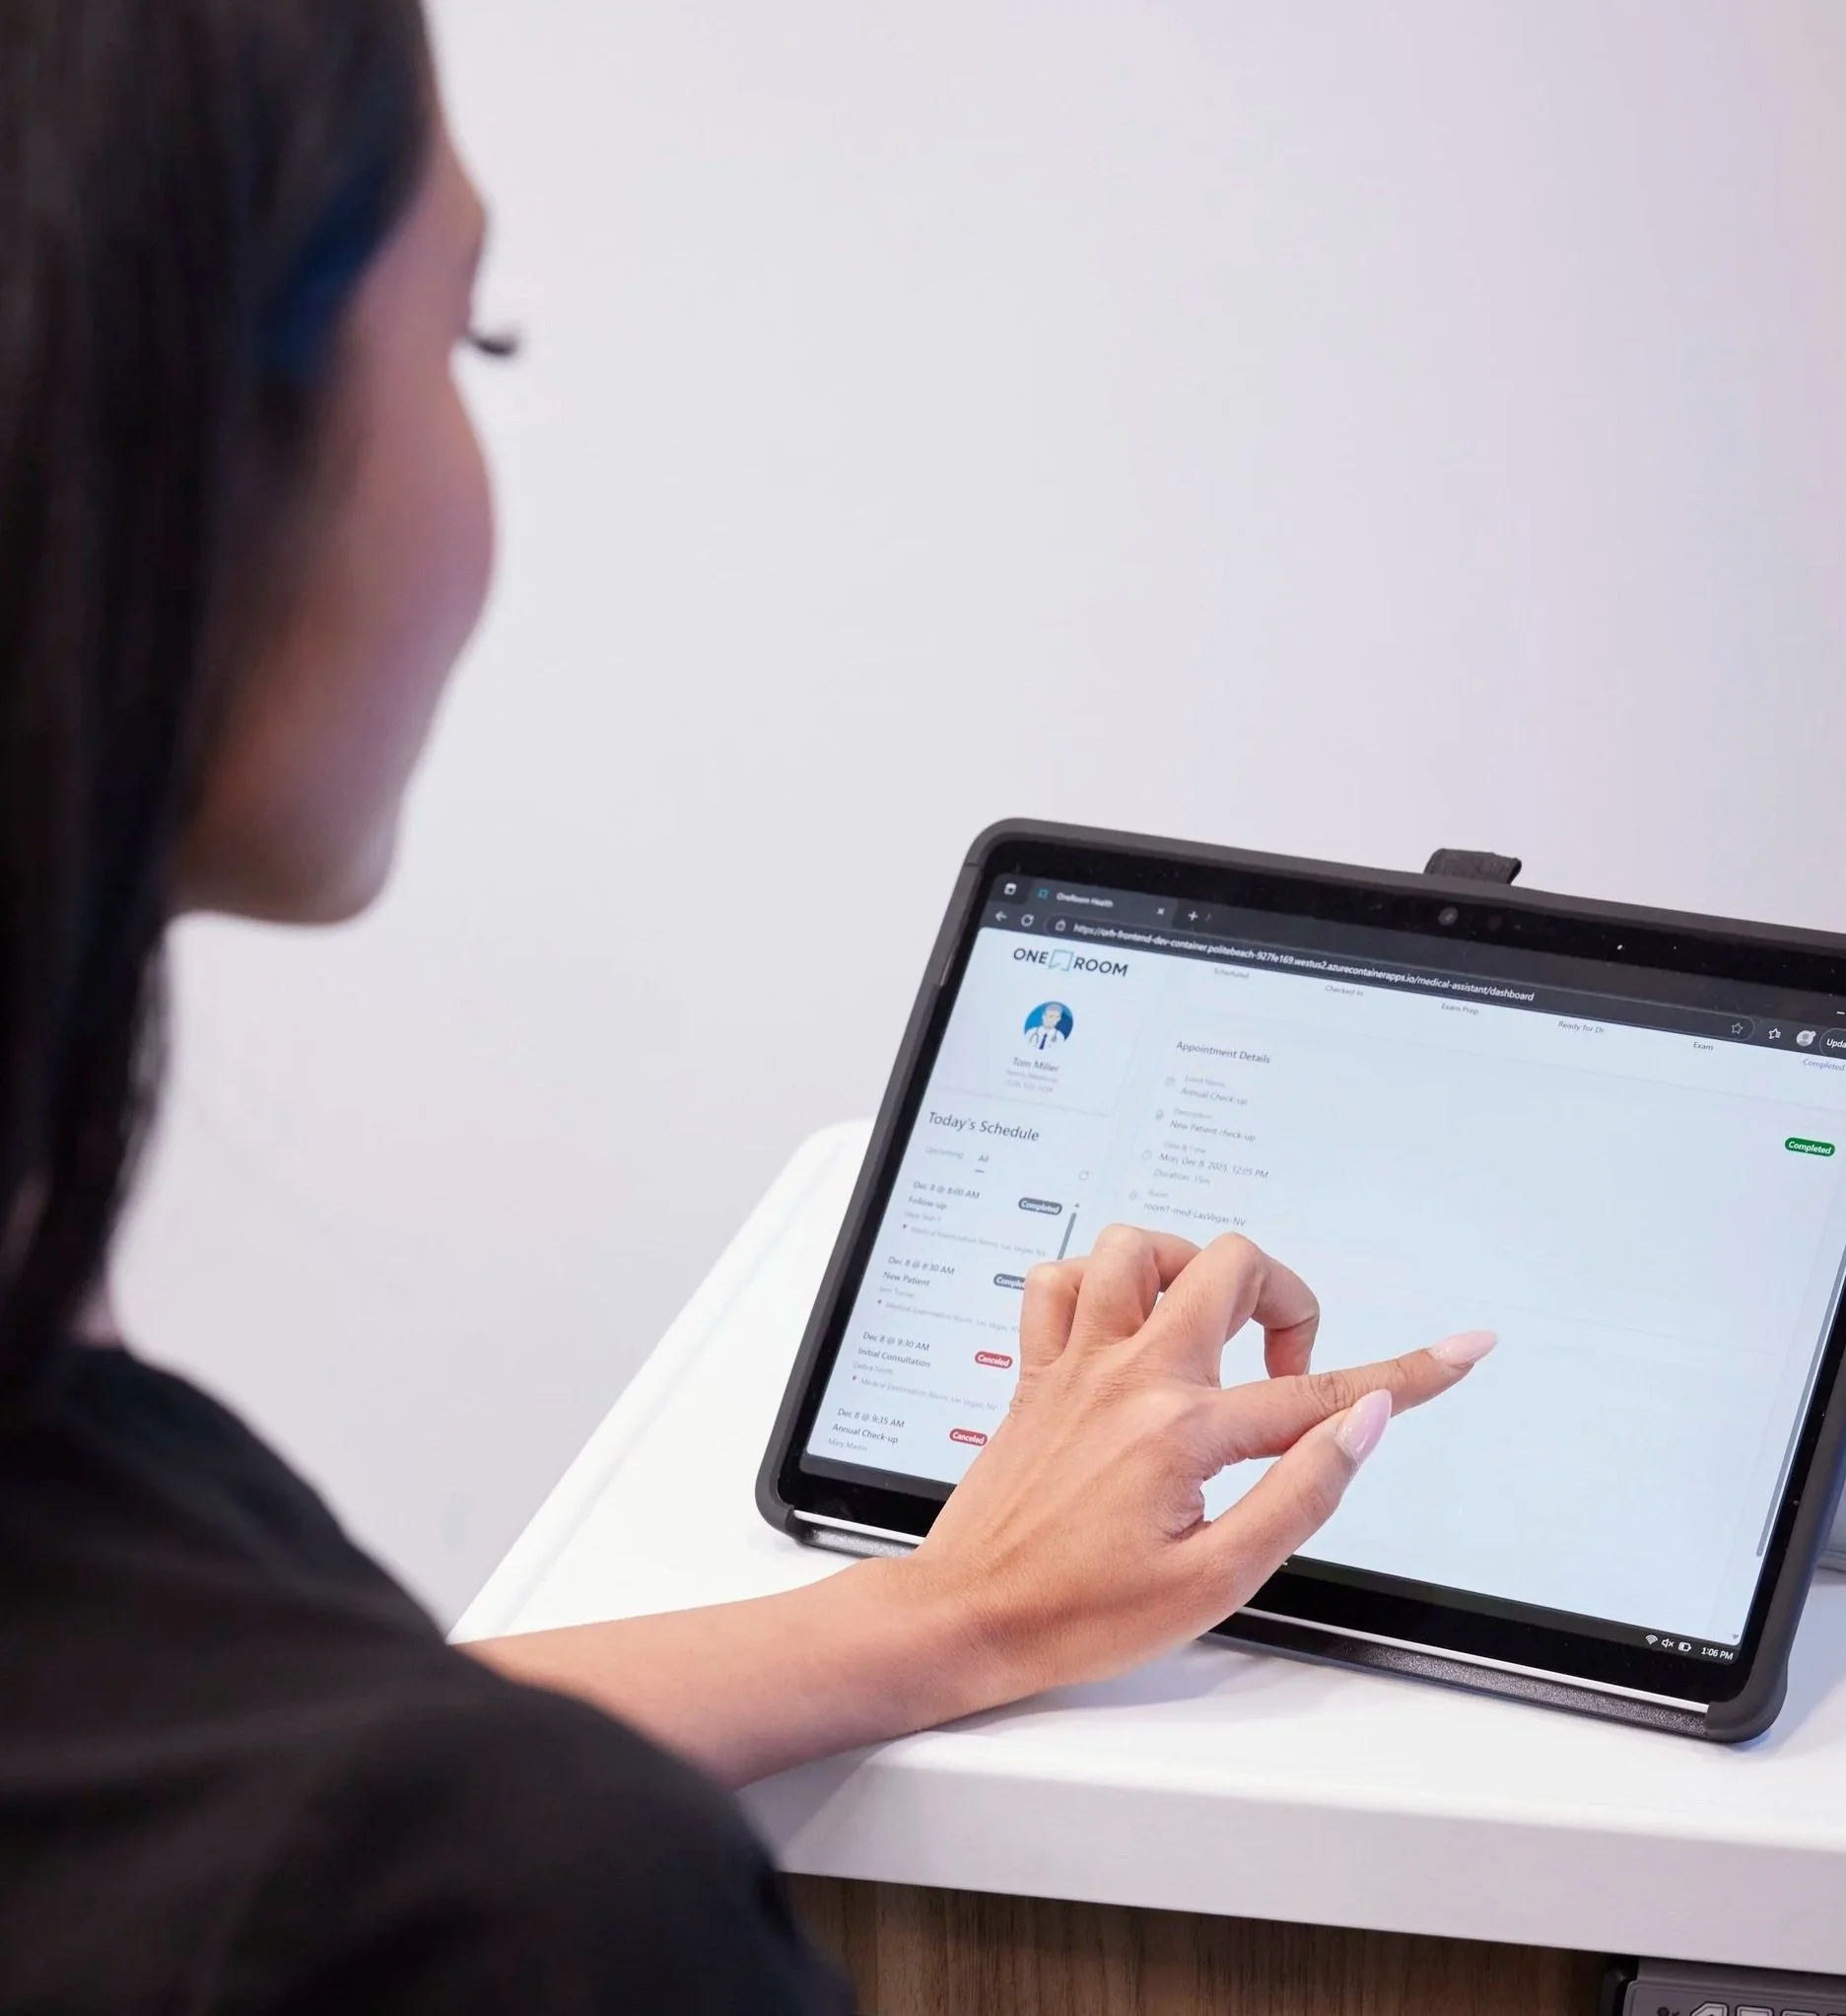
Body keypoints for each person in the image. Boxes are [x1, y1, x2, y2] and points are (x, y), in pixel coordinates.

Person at [0, 4, 1498, 2007]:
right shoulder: (510, 1916)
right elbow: (340, 1817)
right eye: (466, 341)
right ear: (173, 449)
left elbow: (217, 1762)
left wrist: (956, 1610)